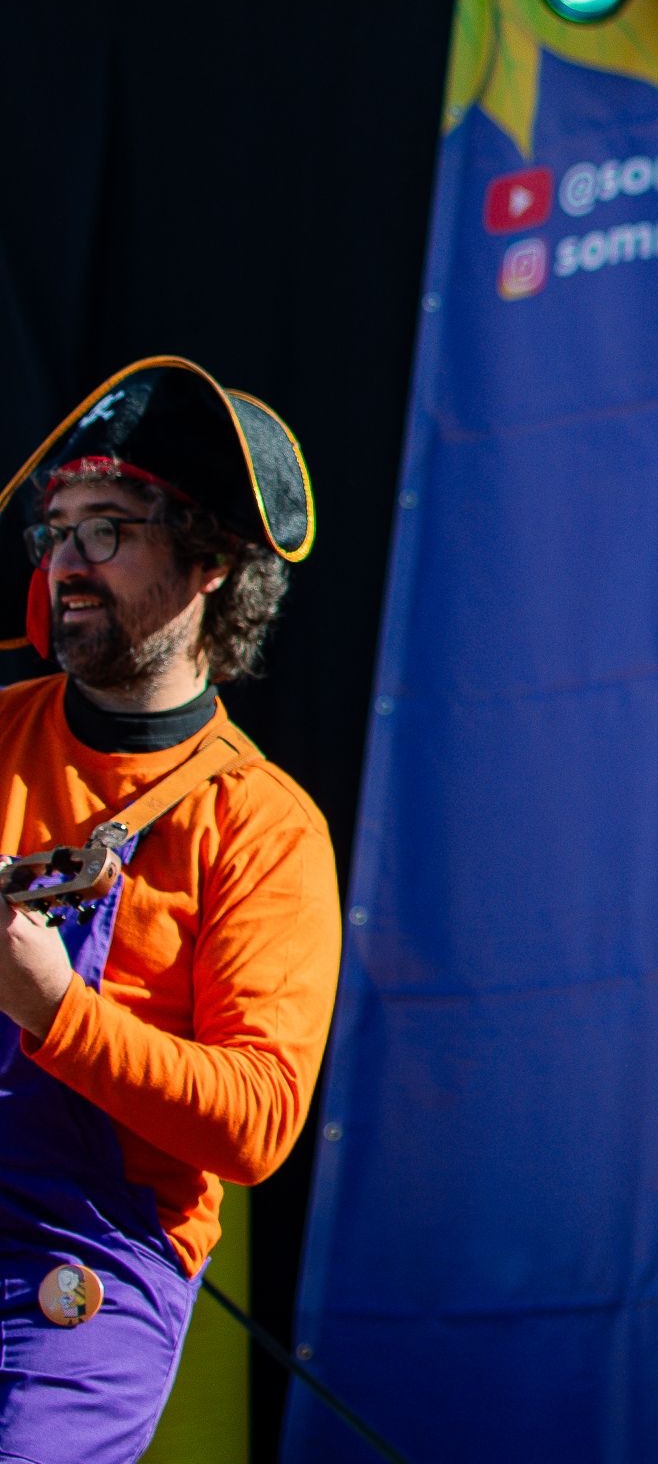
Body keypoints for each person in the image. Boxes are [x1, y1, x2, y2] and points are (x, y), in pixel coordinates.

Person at [0, 359, 342, 1460]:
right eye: (59, 531)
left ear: (206, 560)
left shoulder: (262, 824)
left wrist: (58, 1008)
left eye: (108, 529)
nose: (67, 564)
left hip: (79, 1271)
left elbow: (256, 1120)